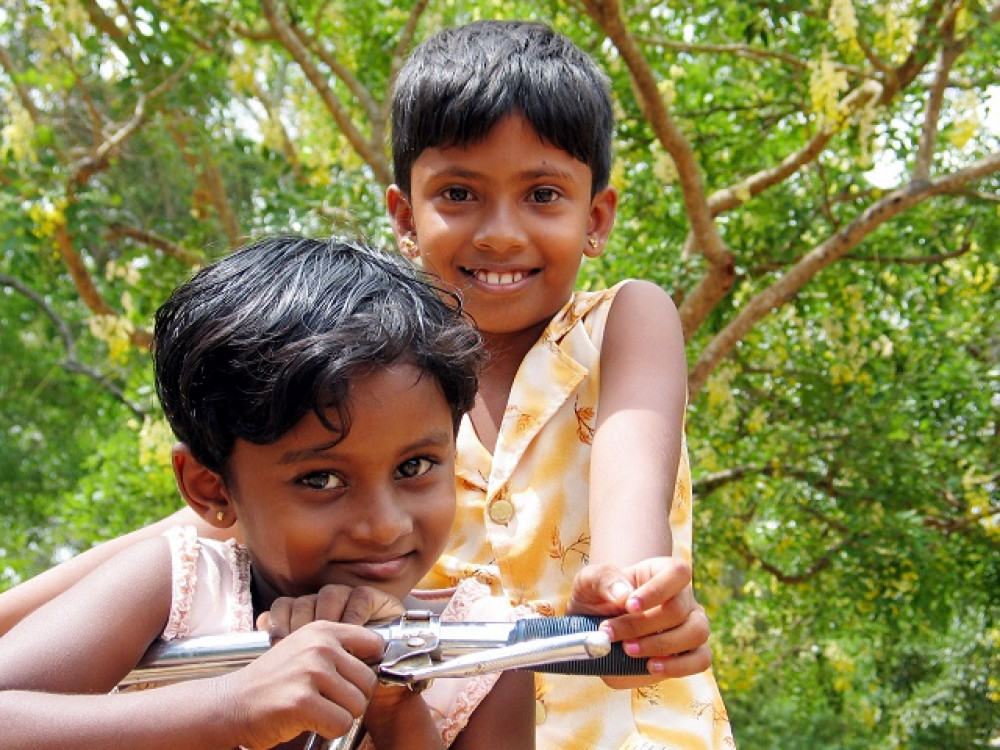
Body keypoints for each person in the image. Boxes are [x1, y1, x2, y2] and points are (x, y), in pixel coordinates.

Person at [0, 18, 731, 749]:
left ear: (596, 218)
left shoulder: (625, 323)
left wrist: (631, 595)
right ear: (405, 217)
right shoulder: (377, 381)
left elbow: (635, 468)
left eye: (542, 194)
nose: (501, 233)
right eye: (459, 194)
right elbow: (218, 508)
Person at [0, 236, 537, 749]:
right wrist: (230, 706)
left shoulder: (481, 654)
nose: (384, 525)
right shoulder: (178, 591)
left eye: (415, 466)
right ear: (209, 485)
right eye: (321, 479)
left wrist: (395, 710)